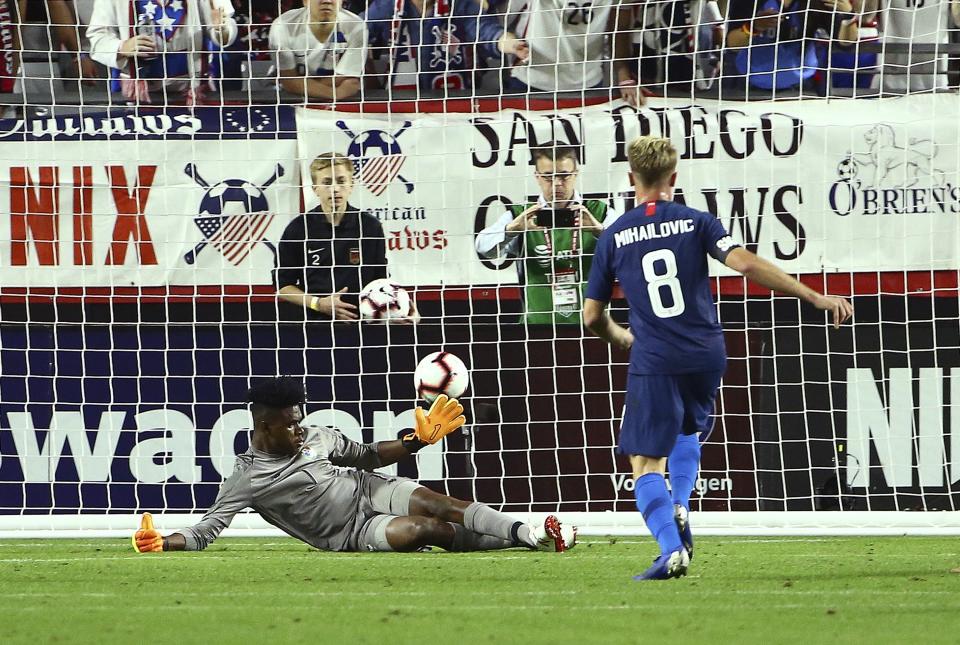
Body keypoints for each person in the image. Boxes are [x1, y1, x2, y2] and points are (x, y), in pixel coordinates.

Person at [583, 136, 853, 580]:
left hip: (656, 355)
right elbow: (745, 264)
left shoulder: (614, 235)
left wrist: (622, 338)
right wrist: (813, 295)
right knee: (688, 428)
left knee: (644, 461)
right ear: (674, 178)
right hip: (707, 352)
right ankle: (682, 503)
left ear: (632, 179)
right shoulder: (698, 222)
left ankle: (671, 549)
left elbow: (592, 316)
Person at [132, 377, 577, 553]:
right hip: (347, 533)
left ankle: (530, 533)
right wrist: (163, 542)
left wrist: (416, 440)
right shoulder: (248, 479)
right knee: (423, 530)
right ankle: (512, 541)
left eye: (300, 418)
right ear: (265, 426)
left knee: (437, 502)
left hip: (368, 488)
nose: (300, 428)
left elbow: (367, 456)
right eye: (290, 424)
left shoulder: (317, 435)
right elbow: (206, 529)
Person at [475, 143, 614, 325]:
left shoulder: (600, 213)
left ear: (576, 174)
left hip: (594, 330)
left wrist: (599, 231)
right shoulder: (521, 215)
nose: (557, 184)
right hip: (535, 330)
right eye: (548, 176)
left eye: (564, 175)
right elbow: (483, 248)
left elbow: (628, 255)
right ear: (537, 177)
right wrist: (511, 230)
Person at [275, 151, 417, 321]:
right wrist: (318, 304)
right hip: (314, 325)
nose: (335, 189)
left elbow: (381, 281)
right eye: (327, 183)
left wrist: (403, 309)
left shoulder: (370, 227)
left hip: (363, 324)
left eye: (341, 181)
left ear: (351, 185)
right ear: (315, 189)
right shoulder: (298, 229)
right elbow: (282, 285)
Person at [87, 0, 238, 102]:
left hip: (193, 90)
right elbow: (97, 36)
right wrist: (121, 47)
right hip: (138, 94)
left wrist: (221, 29)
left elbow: (223, 32)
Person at [362, 0, 527, 92]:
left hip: (456, 101)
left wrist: (510, 44)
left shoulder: (461, 5)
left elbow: (486, 30)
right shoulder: (386, 7)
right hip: (400, 103)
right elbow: (358, 29)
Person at [505, 0, 641, 104]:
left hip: (587, 80)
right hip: (532, 78)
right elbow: (496, 17)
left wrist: (623, 75)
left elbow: (619, 27)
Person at [269, 0, 365, 101]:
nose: (327, 1)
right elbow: (289, 81)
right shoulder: (282, 26)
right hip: (288, 97)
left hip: (339, 100)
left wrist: (299, 86)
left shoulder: (356, 26)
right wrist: (336, 93)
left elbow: (346, 78)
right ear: (305, 2)